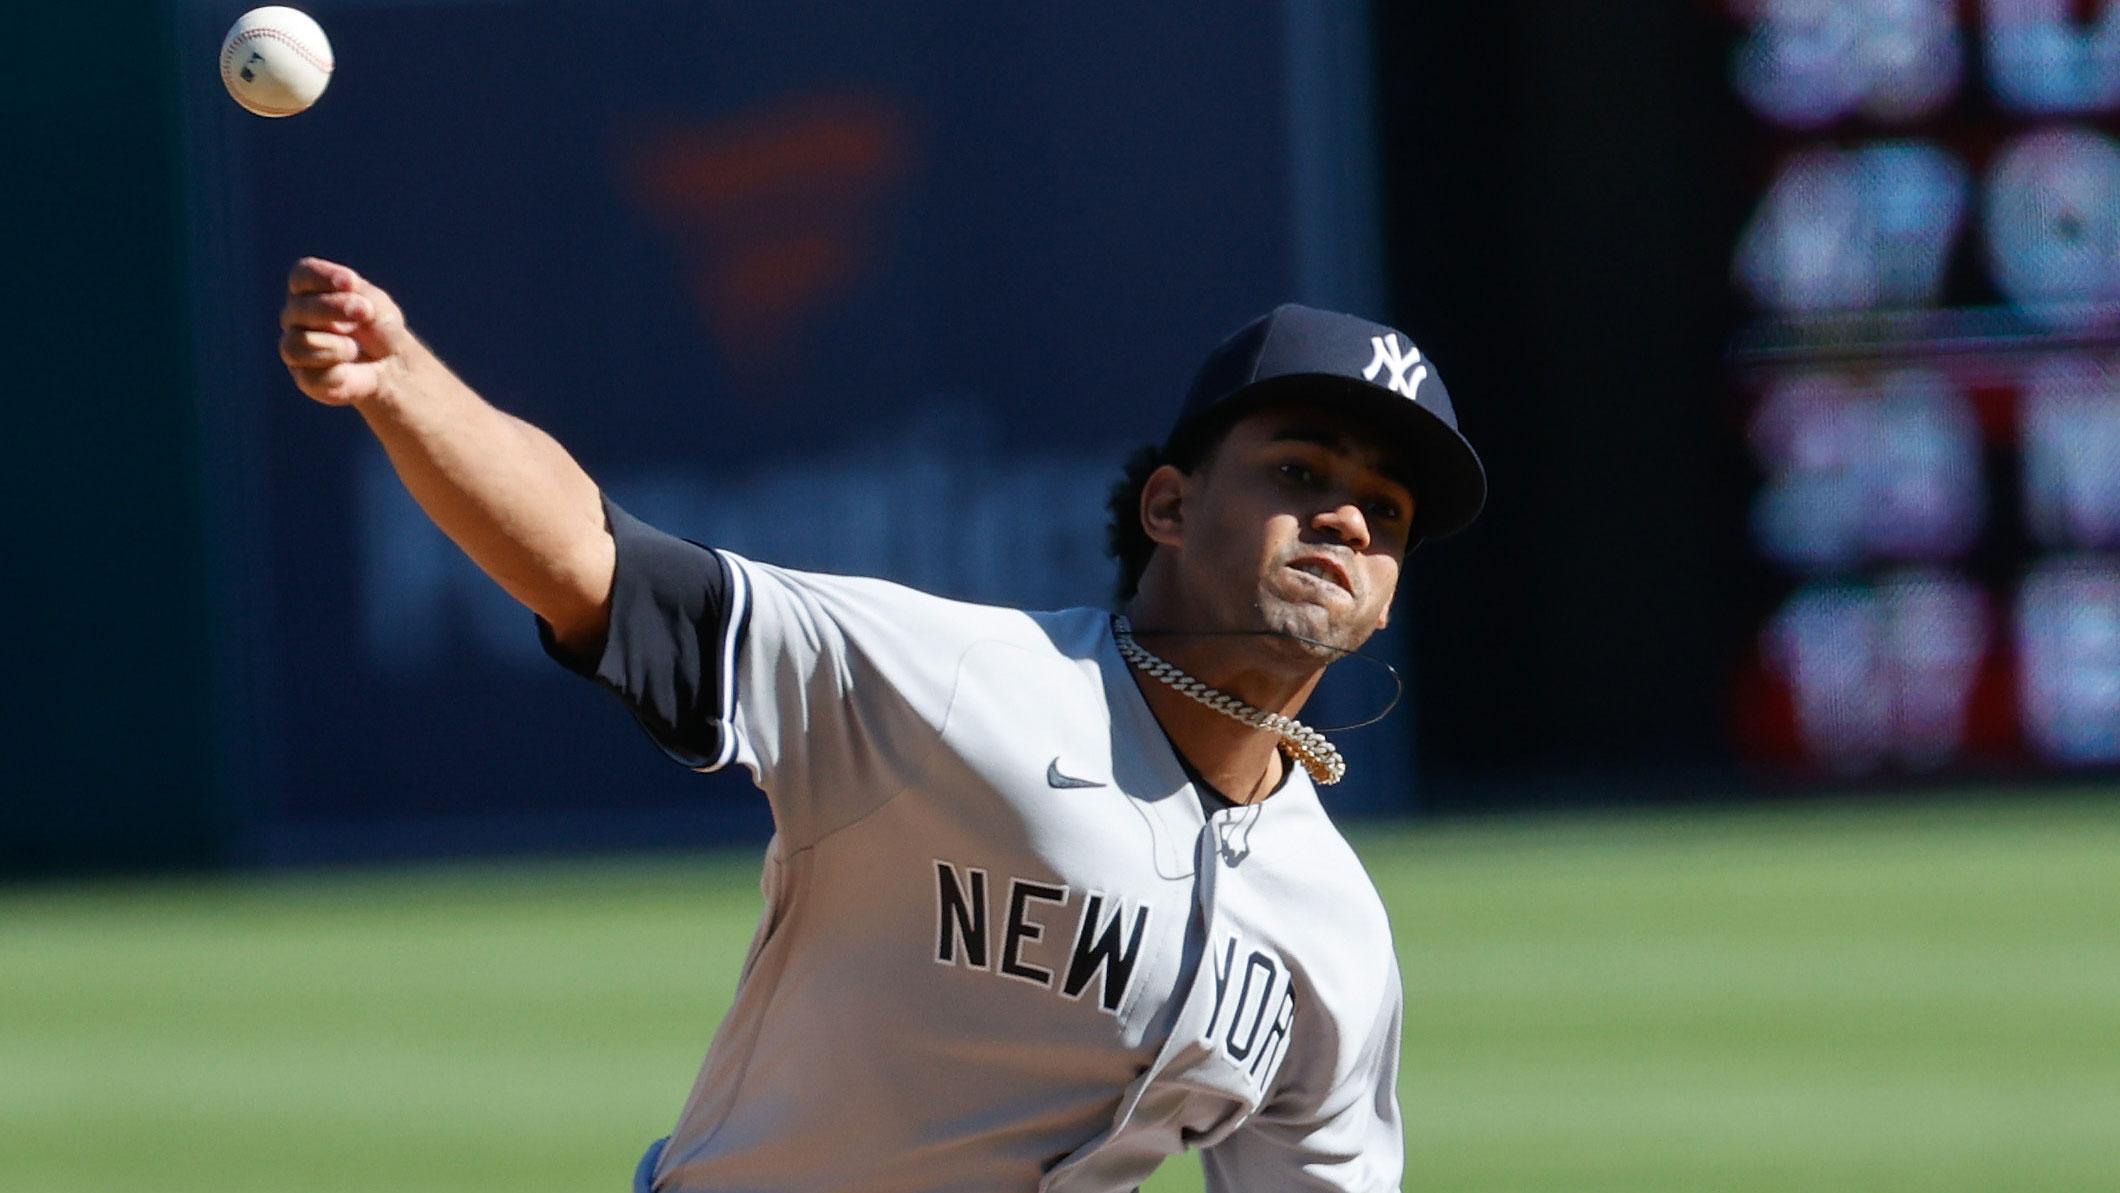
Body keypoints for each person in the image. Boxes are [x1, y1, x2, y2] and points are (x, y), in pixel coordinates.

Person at [276, 256, 1486, 1192]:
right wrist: (404, 384)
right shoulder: (956, 682)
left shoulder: (1334, 929)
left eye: (1382, 510)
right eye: (1297, 472)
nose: (1343, 521)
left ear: (1386, 599)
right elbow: (600, 563)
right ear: (1168, 504)